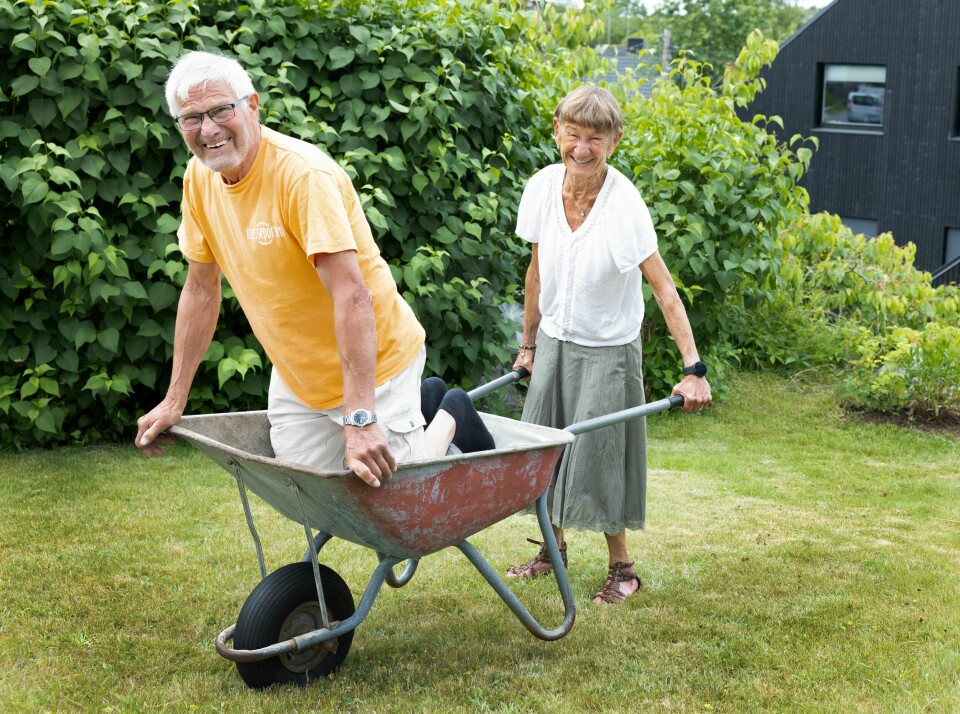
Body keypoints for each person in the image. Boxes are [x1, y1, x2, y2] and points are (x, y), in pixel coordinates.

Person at [135, 50, 492, 481]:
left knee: (388, 489)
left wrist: (359, 417)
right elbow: (201, 290)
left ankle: (450, 412)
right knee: (305, 488)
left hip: (376, 364)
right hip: (298, 374)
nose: (208, 129)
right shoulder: (199, 177)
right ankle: (429, 403)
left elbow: (351, 293)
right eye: (192, 117)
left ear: (252, 105)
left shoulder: (301, 177)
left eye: (220, 110)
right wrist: (175, 399)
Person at [505, 84, 712, 604]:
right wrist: (528, 345)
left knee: (598, 457)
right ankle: (553, 551)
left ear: (613, 142)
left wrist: (695, 368)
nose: (581, 147)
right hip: (554, 340)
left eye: (594, 137)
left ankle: (623, 569)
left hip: (607, 351)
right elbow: (535, 273)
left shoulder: (624, 205)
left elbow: (664, 289)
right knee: (543, 452)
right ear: (557, 132)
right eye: (573, 134)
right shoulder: (541, 188)